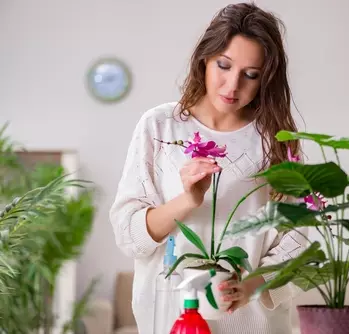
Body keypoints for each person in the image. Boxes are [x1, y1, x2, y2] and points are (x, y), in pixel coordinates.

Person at [109, 3, 307, 333]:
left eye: (251, 75)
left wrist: (248, 287)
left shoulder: (276, 139)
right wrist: (187, 200)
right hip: (170, 316)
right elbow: (128, 235)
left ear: (266, 78)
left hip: (253, 321)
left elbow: (297, 239)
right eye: (224, 66)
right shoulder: (160, 127)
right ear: (205, 58)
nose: (232, 86)